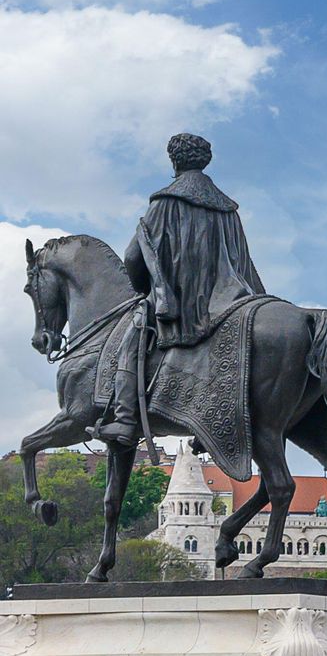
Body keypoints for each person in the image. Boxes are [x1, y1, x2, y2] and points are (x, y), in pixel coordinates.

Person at [95, 133, 264, 446]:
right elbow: (243, 261)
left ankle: (124, 417)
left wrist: (148, 291)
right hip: (233, 298)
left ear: (174, 162)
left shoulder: (166, 201)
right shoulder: (228, 208)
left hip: (184, 301)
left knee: (133, 332)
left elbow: (134, 256)